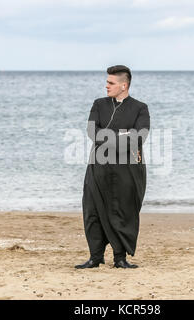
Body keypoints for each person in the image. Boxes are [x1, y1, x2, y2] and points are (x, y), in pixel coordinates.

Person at [76, 65, 150, 269]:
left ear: (123, 85)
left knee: (123, 211)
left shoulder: (140, 108)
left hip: (128, 170)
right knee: (92, 210)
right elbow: (92, 131)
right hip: (98, 167)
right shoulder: (99, 105)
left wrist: (108, 137)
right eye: (107, 82)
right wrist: (122, 137)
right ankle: (95, 257)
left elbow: (139, 136)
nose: (106, 86)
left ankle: (120, 258)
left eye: (111, 83)